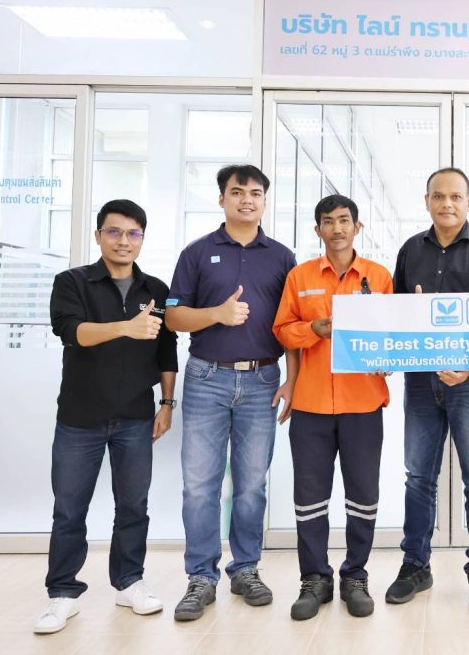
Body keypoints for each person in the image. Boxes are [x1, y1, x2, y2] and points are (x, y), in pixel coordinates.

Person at [37, 199, 177, 634]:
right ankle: (63, 593)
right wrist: (126, 327)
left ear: (142, 239)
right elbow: (71, 332)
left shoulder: (155, 288)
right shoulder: (73, 282)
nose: (123, 241)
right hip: (80, 418)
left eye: (133, 233)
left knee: (133, 505)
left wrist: (167, 404)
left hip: (136, 416)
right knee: (69, 509)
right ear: (98, 235)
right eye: (114, 232)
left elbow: (166, 350)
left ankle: (129, 582)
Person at [166, 164, 298, 622]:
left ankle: (245, 569)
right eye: (237, 192)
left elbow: (290, 325)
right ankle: (201, 577)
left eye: (255, 193)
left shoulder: (281, 257)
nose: (247, 200)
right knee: (200, 485)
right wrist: (216, 315)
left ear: (264, 201)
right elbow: (173, 318)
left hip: (262, 381)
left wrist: (292, 379)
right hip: (207, 377)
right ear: (222, 198)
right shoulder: (197, 253)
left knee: (251, 484)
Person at [385, 167, 469, 614]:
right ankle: (415, 565)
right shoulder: (410, 250)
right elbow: (397, 316)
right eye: (438, 196)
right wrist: (412, 316)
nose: (447, 204)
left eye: (456, 197)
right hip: (421, 380)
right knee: (419, 476)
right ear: (426, 201)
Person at [273, 195, 393, 621]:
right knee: (309, 498)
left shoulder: (379, 276)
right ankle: (315, 579)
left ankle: (355, 576)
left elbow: (392, 334)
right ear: (318, 230)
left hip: (363, 402)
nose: (337, 229)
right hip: (311, 404)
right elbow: (282, 330)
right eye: (328, 222)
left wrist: (389, 358)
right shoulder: (300, 276)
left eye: (344, 221)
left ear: (357, 227)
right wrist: (313, 329)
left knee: (363, 496)